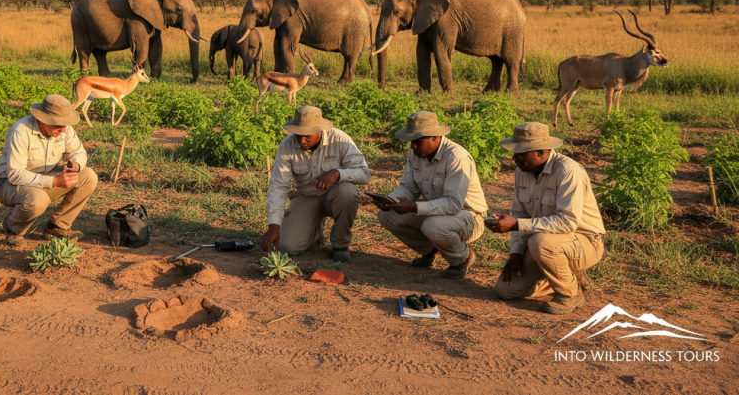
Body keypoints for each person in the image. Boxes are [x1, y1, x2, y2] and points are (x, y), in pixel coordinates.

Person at [485, 122, 606, 315]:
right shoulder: (522, 171)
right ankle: (566, 277)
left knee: (541, 242)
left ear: (541, 152)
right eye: (514, 152)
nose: (514, 158)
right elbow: (519, 214)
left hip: (584, 241)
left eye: (520, 152)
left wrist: (516, 225)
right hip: (545, 243)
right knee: (506, 290)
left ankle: (569, 294)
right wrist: (515, 253)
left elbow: (567, 222)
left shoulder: (568, 171)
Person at [371, 111, 488, 279]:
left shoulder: (456, 157)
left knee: (433, 225)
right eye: (411, 141)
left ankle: (462, 257)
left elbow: (454, 204)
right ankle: (432, 250)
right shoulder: (417, 153)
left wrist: (415, 206)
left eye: (418, 141)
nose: (413, 146)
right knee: (387, 215)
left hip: (469, 217)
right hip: (435, 213)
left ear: (435, 137)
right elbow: (409, 187)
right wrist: (392, 201)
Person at [260, 106, 370, 263]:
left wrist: (338, 174)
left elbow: (365, 174)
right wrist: (274, 225)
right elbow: (279, 186)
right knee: (287, 246)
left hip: (334, 196)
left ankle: (340, 244)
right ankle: (315, 229)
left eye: (307, 135)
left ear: (320, 130)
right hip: (306, 197)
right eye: (298, 134)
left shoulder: (339, 139)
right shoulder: (287, 145)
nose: (301, 139)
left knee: (348, 192)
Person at [0, 94, 98, 247]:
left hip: (45, 177)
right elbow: (15, 174)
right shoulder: (20, 131)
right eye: (58, 124)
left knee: (88, 176)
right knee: (38, 199)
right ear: (43, 119)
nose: (63, 129)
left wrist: (76, 164)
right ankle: (13, 230)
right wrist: (54, 181)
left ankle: (57, 226)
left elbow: (79, 152)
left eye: (65, 124)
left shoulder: (64, 129)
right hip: (8, 184)